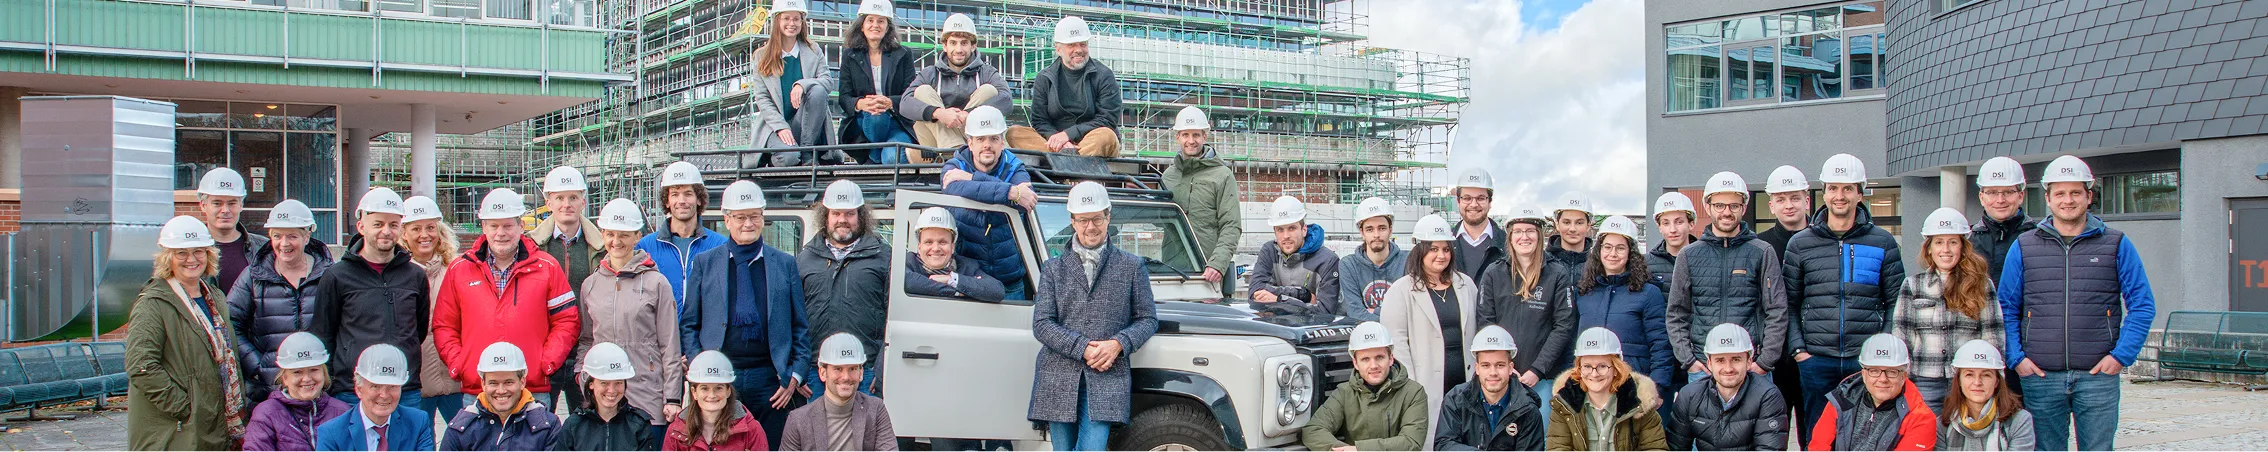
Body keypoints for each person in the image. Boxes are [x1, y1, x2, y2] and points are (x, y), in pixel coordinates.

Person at [1998, 155, 2157, 451]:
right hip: (2041, 377)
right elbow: (2005, 307)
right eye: (2060, 193)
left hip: (2098, 377)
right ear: (2047, 197)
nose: (2067, 200)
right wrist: (2017, 359)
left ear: (2089, 196)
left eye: (2075, 192)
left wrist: (2121, 356)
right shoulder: (2024, 246)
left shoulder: (2117, 243)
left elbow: (2142, 304)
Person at [1784, 153, 1906, 443]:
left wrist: (1883, 347)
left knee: (1864, 436)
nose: (1840, 196)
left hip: (1865, 360)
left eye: (1848, 188)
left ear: (1859, 194)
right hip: (1816, 359)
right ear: (1824, 192)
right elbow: (1788, 303)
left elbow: (1895, 303)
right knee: (1816, 436)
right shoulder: (1801, 244)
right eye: (1834, 188)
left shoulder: (1882, 242)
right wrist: (1799, 350)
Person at [680, 180, 811, 449]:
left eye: (754, 216)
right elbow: (690, 324)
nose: (747, 223)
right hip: (722, 379)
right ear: (727, 220)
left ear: (763, 218)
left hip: (772, 381)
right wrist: (701, 371)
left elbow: (800, 327)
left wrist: (794, 376)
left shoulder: (784, 264)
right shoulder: (706, 263)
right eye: (740, 217)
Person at [1029, 182, 1159, 451]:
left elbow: (1148, 319)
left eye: (1097, 218)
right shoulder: (1053, 269)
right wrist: (1083, 348)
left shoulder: (1132, 266)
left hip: (1107, 376)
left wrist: (1119, 344)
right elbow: (1042, 324)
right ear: (1073, 221)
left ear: (1108, 217)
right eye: (1084, 220)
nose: (1091, 227)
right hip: (1058, 376)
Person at [435, 188, 582, 407]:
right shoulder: (460, 269)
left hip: (531, 389)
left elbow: (567, 321)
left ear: (521, 226)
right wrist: (461, 365)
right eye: (493, 226)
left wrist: (545, 363)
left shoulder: (546, 267)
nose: (500, 233)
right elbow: (444, 325)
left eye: (507, 226)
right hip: (478, 389)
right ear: (483, 227)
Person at [1664, 171, 1788, 401]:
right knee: (1702, 435)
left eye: (1734, 205)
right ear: (1707, 206)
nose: (1726, 212)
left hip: (1751, 368)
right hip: (1704, 367)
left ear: (1744, 206)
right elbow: (1676, 313)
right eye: (1719, 205)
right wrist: (1689, 361)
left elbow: (1777, 310)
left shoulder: (1762, 252)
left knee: (1755, 435)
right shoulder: (1689, 256)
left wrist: (1764, 362)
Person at [127, 215, 248, 450]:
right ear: (167, 258)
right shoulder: (153, 303)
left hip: (215, 423)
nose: (191, 259)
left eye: (199, 251)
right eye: (181, 253)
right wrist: (186, 407)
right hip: (176, 429)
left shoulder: (215, 298)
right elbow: (141, 366)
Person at [311, 188, 431, 409]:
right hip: (352, 391)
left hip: (404, 389)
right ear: (361, 226)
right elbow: (323, 334)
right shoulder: (337, 276)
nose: (386, 231)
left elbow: (418, 330)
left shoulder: (415, 275)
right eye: (378, 224)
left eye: (393, 225)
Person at [580, 199, 686, 438]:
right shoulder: (591, 285)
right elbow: (587, 339)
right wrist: (583, 376)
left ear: (637, 236)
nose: (616, 242)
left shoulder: (656, 283)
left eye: (624, 235)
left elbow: (669, 346)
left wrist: (671, 397)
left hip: (647, 393)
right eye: (609, 234)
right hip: (605, 395)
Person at [1891, 207, 2005, 414]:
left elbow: (1993, 336)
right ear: (1929, 248)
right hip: (1924, 380)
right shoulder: (1913, 285)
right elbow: (1902, 337)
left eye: (1953, 242)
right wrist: (1901, 377)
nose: (1946, 249)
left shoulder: (1981, 285)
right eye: (1939, 242)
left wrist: (1992, 377)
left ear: (1963, 247)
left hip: (1968, 381)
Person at [1476, 204, 1575, 431]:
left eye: (1530, 231)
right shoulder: (1494, 273)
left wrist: (1537, 371)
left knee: (1539, 437)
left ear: (1539, 235)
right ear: (1510, 236)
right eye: (1518, 231)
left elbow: (1564, 325)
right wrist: (1504, 368)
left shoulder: (1556, 273)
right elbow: (1486, 323)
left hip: (1542, 378)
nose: (1524, 237)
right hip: (1502, 378)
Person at [1379, 214, 1477, 440]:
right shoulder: (1401, 291)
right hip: (1425, 386)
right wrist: (1411, 386)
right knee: (1431, 439)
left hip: (1464, 383)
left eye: (1446, 249)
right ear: (1419, 250)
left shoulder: (1466, 285)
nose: (1441, 255)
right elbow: (1397, 345)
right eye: (1433, 249)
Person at [232, 199, 336, 406]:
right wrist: (259, 366)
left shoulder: (330, 275)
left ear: (307, 236)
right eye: (277, 236)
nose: (284, 243)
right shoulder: (253, 276)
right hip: (269, 390)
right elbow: (231, 324)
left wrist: (329, 367)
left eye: (292, 236)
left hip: (319, 389)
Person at [798, 180, 891, 396]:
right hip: (817, 370)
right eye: (836, 213)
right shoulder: (805, 258)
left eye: (849, 214)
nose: (842, 220)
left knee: (866, 429)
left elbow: (893, 317)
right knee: (818, 430)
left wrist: (882, 366)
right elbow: (794, 318)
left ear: (861, 216)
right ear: (826, 216)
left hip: (865, 371)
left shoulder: (884, 257)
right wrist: (798, 368)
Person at [939, 105, 1036, 299]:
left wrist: (971, 179)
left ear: (1002, 142)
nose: (987, 145)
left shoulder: (1015, 167)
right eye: (981, 139)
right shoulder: (954, 166)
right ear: (970, 143)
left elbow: (1026, 199)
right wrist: (1009, 191)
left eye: (993, 139)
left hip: (1010, 279)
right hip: (969, 280)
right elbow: (953, 188)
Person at [1569, 216, 1673, 391]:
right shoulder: (1584, 292)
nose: (1613, 254)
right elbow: (1571, 342)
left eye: (1620, 248)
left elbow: (1660, 345)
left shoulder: (1648, 293)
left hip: (1633, 384)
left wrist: (1657, 387)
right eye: (1607, 247)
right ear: (1599, 251)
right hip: (1589, 385)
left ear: (1631, 253)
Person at [531, 166, 603, 412]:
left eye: (573, 197)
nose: (566, 204)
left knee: (585, 423)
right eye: (559, 198)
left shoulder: (601, 246)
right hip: (544, 349)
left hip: (586, 348)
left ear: (583, 201)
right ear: (548, 201)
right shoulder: (532, 247)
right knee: (540, 425)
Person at [1300, 321, 1429, 451]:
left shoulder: (1413, 393)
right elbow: (1313, 430)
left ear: (1391, 359)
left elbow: (1411, 442)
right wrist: (1344, 450)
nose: (1373, 365)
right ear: (1355, 363)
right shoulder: (1344, 393)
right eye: (1365, 359)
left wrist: (1360, 450)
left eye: (1379, 357)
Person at [1008, 16, 1122, 157]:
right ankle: (1071, 158)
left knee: (1106, 136)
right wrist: (1057, 139)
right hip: (1057, 144)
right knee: (1014, 133)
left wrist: (1069, 134)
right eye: (1071, 45)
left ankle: (1060, 160)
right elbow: (1039, 121)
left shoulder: (1104, 75)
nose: (1078, 50)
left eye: (1082, 44)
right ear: (1058, 49)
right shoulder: (1045, 78)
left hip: (1091, 141)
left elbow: (1107, 119)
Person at [1159, 106, 1242, 297]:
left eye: (1196, 135)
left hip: (1207, 274)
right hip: (1172, 272)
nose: (1191, 141)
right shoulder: (1169, 175)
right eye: (1185, 135)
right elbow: (1161, 220)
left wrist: (1217, 264)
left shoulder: (1222, 175)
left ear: (1205, 136)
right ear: (1177, 137)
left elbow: (1231, 225)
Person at [1665, 324, 1788, 451]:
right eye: (1720, 360)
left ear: (1749, 362)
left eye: (1735, 359)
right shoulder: (1690, 395)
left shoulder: (1768, 397)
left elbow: (1770, 449)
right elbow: (1675, 447)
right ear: (1709, 363)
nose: (1728, 368)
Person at [900, 13, 1013, 152]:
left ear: (973, 46)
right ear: (945, 46)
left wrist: (969, 114)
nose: (958, 49)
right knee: (922, 91)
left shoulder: (987, 72)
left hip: (976, 142)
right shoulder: (930, 73)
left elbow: (1006, 100)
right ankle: (955, 148)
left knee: (988, 90)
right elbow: (904, 103)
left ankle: (956, 150)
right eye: (953, 43)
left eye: (964, 43)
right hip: (936, 144)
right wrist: (939, 113)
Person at [1807, 334, 1938, 451]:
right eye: (1874, 371)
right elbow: (1818, 446)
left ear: (1904, 376)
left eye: (1892, 371)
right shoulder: (1842, 399)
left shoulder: (1921, 418)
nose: (1882, 379)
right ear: (1864, 374)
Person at [1753, 163, 1812, 426]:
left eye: (1795, 198)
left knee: (1814, 436)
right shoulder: (1758, 246)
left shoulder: (1822, 241)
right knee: (1771, 434)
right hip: (1772, 358)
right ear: (1771, 205)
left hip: (1814, 352)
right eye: (1781, 199)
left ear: (1807, 201)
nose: (1789, 205)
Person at [1545, 327, 1668, 451]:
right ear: (1579, 368)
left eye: (1602, 366)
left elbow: (1655, 448)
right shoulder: (1564, 404)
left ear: (1616, 368)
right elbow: (1557, 448)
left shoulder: (1639, 403)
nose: (1594, 374)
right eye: (1587, 366)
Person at [402, 195, 469, 422]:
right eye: (416, 229)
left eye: (430, 227)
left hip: (455, 376)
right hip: (417, 380)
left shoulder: (457, 269)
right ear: (404, 233)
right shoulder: (397, 274)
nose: (424, 235)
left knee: (464, 439)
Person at [748, 0, 839, 166]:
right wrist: (781, 127)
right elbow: (762, 98)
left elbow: (827, 82)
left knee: (817, 90)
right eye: (786, 18)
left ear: (802, 22)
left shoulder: (813, 50)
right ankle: (782, 153)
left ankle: (807, 152)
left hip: (806, 126)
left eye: (796, 19)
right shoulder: (761, 56)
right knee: (788, 159)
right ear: (777, 21)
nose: (792, 23)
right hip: (777, 125)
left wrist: (802, 84)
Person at [1432, 325, 1546, 451]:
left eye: (1500, 365)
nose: (1493, 372)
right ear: (1477, 368)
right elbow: (1443, 445)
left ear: (1510, 368)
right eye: (1486, 365)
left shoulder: (1527, 409)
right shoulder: (1455, 400)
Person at [780, 333, 899, 451]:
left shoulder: (876, 409)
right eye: (838, 369)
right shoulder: (798, 420)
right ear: (822, 373)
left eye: (852, 369)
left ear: (861, 373)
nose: (846, 377)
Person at [836, 0, 918, 164]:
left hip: (896, 122)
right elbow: (844, 97)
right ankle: (875, 150)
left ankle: (874, 153)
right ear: (862, 25)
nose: (876, 25)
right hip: (865, 122)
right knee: (877, 116)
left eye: (881, 21)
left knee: (892, 158)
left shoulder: (903, 54)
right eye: (870, 20)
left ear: (888, 27)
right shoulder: (850, 55)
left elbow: (911, 94)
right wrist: (861, 104)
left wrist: (889, 102)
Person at [638, 161, 730, 306]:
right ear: (667, 201)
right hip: (661, 329)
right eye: (675, 194)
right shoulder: (645, 248)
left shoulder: (720, 246)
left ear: (699, 199)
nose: (681, 201)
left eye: (688, 194)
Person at [314, 344, 439, 451]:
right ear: (359, 388)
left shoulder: (418, 422)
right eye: (375, 386)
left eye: (392, 386)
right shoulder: (332, 433)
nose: (384, 395)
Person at [442, 343, 565, 451]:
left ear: (522, 382)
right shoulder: (460, 429)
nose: (501, 391)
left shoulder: (548, 426)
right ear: (483, 384)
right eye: (493, 383)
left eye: (508, 382)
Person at [246, 332, 353, 451]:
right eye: (297, 372)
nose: (307, 379)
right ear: (285, 378)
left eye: (314, 370)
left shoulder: (343, 412)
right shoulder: (267, 413)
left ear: (324, 373)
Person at [554, 343, 663, 451]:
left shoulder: (639, 425)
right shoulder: (574, 425)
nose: (612, 390)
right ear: (591, 384)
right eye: (604, 383)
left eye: (618, 383)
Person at [1248, 195, 1341, 319]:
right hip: (1279, 330)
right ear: (1274, 231)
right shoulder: (1269, 252)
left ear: (1304, 230)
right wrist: (1304, 295)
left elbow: (1325, 312)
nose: (1286, 236)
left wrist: (1279, 299)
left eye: (1291, 228)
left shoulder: (1327, 260)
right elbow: (1255, 292)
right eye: (1280, 230)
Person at [1939, 340, 2037, 451]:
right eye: (1969, 374)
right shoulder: (1942, 424)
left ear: (1997, 381)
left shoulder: (2020, 421)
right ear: (1959, 381)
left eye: (1986, 375)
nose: (1977, 382)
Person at [667, 351, 771, 451]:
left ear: (728, 391)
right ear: (694, 393)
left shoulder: (751, 430)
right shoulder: (676, 430)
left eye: (719, 388)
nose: (712, 395)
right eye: (704, 388)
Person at [903, 207, 1007, 302]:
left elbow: (996, 290)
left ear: (952, 247)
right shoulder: (906, 263)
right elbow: (908, 282)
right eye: (928, 242)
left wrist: (951, 279)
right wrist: (956, 291)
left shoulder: (966, 266)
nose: (935, 248)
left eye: (942, 242)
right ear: (919, 247)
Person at [196, 167, 268, 296]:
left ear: (241, 205)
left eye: (232, 203)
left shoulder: (263, 248)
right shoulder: (189, 248)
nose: (225, 210)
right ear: (203, 205)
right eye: (217, 203)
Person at [1337, 197, 1406, 321]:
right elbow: (1354, 312)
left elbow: (1409, 311)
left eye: (1382, 228)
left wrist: (1374, 311)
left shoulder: (1407, 261)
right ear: (1362, 233)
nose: (1376, 235)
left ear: (1390, 230)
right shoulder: (1349, 265)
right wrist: (1391, 316)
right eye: (1370, 229)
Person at [1970, 156, 2034, 284]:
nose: (2000, 200)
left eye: (2008, 192)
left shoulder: (2040, 238)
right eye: (1992, 192)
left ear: (2020, 196)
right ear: (1982, 198)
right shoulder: (1967, 242)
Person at [1448, 169, 1506, 282]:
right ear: (1458, 201)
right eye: (1467, 198)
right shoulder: (1444, 243)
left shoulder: (1507, 246)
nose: (1473, 204)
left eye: (1480, 198)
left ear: (1490, 202)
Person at [1645, 192, 1696, 279]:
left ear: (1691, 224)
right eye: (1666, 223)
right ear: (1659, 227)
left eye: (1679, 222)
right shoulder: (1645, 264)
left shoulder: (1707, 260)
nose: (1673, 230)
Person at [1545, 192, 1594, 272]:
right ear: (1557, 224)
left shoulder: (1599, 265)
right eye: (1566, 222)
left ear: (1588, 225)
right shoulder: (1543, 262)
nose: (1572, 229)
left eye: (1579, 223)